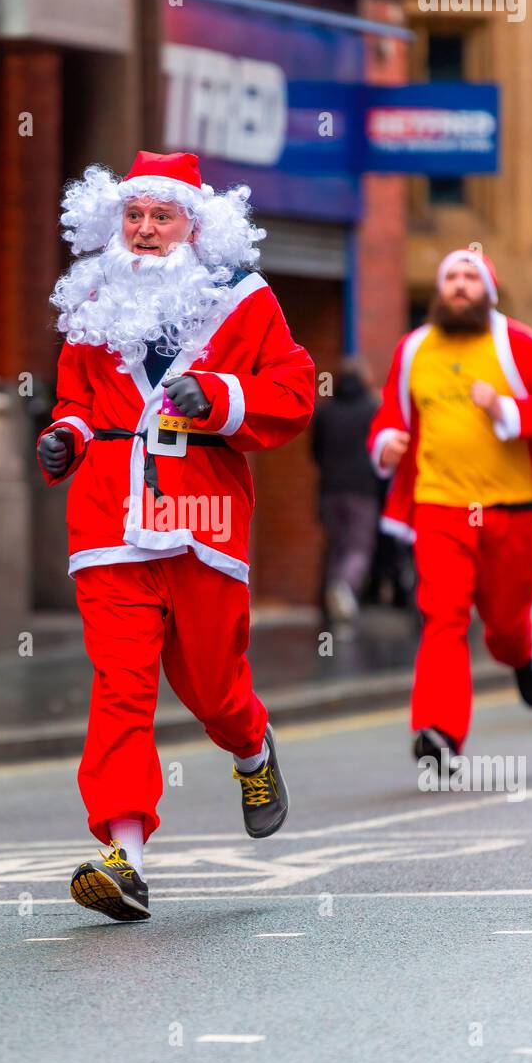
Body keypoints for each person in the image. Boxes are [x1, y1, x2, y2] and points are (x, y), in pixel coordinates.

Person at [38, 150, 315, 922]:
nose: (147, 229)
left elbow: (292, 395)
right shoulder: (93, 297)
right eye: (134, 215)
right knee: (119, 687)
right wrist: (64, 436)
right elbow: (75, 399)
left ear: (194, 224)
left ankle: (251, 747)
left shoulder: (243, 300)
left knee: (208, 685)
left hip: (202, 517)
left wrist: (221, 396)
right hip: (107, 522)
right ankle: (123, 853)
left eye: (162, 216)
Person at [367, 248, 532, 766]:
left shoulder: (519, 345)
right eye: (451, 278)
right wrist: (387, 444)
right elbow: (389, 418)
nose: (460, 286)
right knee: (443, 617)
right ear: (440, 291)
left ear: (488, 290)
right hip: (439, 508)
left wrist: (504, 407)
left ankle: (520, 656)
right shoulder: (414, 348)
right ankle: (439, 732)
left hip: (509, 509)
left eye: (471, 277)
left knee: (506, 622)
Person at [311, 357, 380, 623]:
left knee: (336, 546)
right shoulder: (372, 410)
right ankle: (345, 587)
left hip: (330, 489)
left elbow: (315, 452)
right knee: (359, 546)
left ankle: (331, 604)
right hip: (362, 489)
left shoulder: (326, 412)